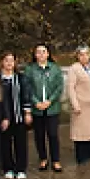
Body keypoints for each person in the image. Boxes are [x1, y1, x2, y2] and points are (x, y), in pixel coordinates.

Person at [25, 43, 64, 172]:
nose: (41, 54)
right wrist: (35, 102)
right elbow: (27, 88)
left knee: (53, 134)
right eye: (38, 52)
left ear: (48, 54)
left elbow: (59, 87)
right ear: (35, 55)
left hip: (52, 108)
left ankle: (56, 160)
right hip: (37, 109)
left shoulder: (55, 69)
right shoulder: (30, 70)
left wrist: (50, 101)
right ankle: (43, 158)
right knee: (39, 135)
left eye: (43, 51)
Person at [0, 51, 32, 179]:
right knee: (5, 143)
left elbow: (26, 95)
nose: (9, 63)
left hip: (18, 114)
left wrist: (27, 112)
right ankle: (8, 168)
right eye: (6, 60)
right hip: (4, 117)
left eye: (11, 60)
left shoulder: (20, 78)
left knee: (21, 143)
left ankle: (20, 168)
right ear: (2, 62)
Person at [68, 45, 90, 164]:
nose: (84, 57)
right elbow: (71, 88)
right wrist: (75, 104)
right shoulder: (74, 68)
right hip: (81, 104)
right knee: (80, 132)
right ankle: (81, 156)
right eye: (81, 54)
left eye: (86, 54)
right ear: (77, 56)